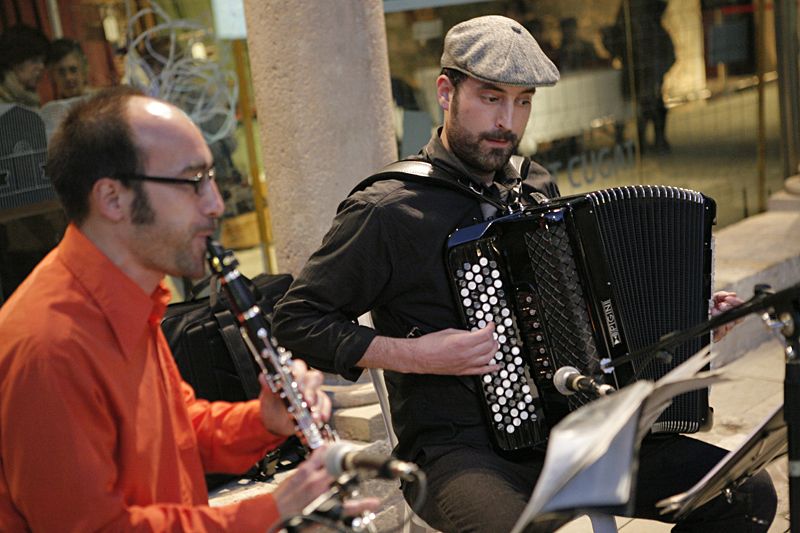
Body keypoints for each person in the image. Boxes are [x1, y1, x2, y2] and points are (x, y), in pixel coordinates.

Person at [272, 15, 777, 533]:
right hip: (460, 452)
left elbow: (588, 318)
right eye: (491, 98)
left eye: (523, 101)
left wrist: (693, 322)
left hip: (572, 432)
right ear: (446, 92)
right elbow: (294, 321)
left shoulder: (534, 185)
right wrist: (414, 354)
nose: (507, 122)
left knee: (745, 492)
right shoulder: (389, 209)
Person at [0, 87, 375, 531]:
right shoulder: (48, 346)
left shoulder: (132, 295)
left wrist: (263, 421)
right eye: (194, 181)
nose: (216, 203)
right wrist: (272, 511)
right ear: (112, 198)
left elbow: (177, 435)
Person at [604, 0, 675, 154]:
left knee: (653, 104)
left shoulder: (653, 30)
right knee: (645, 105)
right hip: (639, 67)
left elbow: (668, 54)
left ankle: (657, 139)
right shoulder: (630, 19)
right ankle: (643, 142)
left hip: (649, 67)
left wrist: (658, 70)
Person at [0, 25, 48, 106]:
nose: (41, 67)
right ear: (14, 61)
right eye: (34, 60)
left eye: (43, 61)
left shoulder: (30, 99)